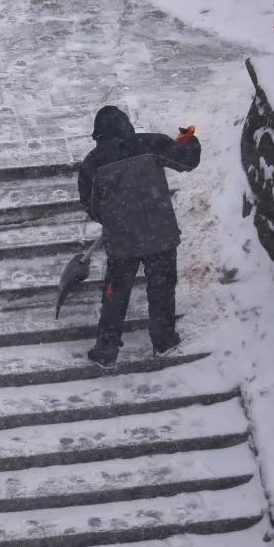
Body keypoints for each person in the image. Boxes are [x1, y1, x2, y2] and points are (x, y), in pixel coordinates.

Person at [76, 105, 201, 369]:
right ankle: (164, 341)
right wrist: (189, 139)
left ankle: (107, 348)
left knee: (116, 293)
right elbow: (187, 161)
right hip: (160, 234)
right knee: (162, 288)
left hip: (122, 239)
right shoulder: (150, 143)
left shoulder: (92, 163)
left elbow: (91, 206)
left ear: (98, 132)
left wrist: (112, 218)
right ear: (126, 124)